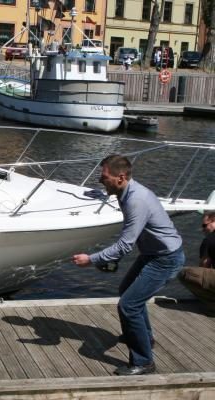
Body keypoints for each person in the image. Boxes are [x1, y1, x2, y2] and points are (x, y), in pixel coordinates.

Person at [72, 154, 184, 376]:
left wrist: (92, 259)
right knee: (127, 292)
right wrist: (111, 258)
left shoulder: (135, 199)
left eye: (104, 177)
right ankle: (144, 337)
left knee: (128, 305)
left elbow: (125, 244)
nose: (100, 180)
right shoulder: (125, 192)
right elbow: (132, 237)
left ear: (120, 177)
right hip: (153, 254)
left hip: (165, 258)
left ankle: (143, 362)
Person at [178, 212, 215, 308]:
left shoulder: (209, 240)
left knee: (184, 273)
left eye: (204, 225)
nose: (203, 229)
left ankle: (212, 305)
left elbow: (204, 267)